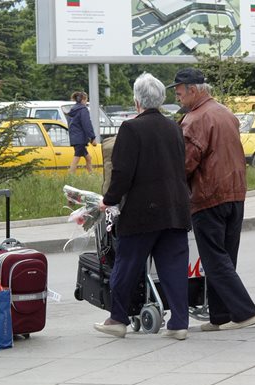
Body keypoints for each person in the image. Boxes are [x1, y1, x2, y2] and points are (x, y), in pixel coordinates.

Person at [94, 73, 192, 340]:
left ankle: (117, 319)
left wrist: (108, 200)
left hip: (142, 212)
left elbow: (122, 173)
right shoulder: (174, 127)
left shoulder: (131, 128)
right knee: (173, 267)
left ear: (137, 101)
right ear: (160, 100)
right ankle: (179, 324)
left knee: (127, 264)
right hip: (175, 208)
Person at [168, 68, 255, 331]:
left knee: (214, 260)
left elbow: (185, 163)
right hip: (235, 193)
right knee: (226, 258)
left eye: (179, 92)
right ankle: (220, 316)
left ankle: (244, 313)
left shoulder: (194, 119)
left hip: (208, 196)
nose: (178, 98)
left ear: (193, 90)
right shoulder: (224, 112)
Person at [67, 91, 97, 174]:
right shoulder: (83, 110)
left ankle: (91, 175)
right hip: (80, 139)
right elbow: (87, 124)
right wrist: (92, 137)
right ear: (83, 99)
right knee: (76, 159)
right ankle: (70, 176)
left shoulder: (72, 110)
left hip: (74, 138)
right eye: (86, 99)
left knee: (88, 158)